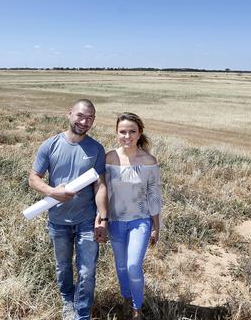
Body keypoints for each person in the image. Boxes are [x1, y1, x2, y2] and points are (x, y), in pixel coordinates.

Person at [28, 99, 108, 320]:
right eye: (81, 116)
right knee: (63, 267)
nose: (85, 121)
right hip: (58, 220)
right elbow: (34, 179)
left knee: (86, 270)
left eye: (90, 117)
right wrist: (53, 192)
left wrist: (102, 217)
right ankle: (67, 301)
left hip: (86, 219)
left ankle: (82, 313)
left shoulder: (96, 149)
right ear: (69, 114)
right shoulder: (50, 145)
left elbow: (100, 185)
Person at [105, 112, 162, 320]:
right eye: (122, 131)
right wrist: (100, 219)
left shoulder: (149, 161)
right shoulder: (109, 157)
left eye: (132, 131)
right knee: (120, 266)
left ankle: (137, 308)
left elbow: (154, 195)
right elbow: (103, 191)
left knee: (132, 265)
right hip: (115, 221)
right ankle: (126, 298)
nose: (127, 136)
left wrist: (157, 226)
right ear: (116, 132)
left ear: (140, 133)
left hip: (140, 221)